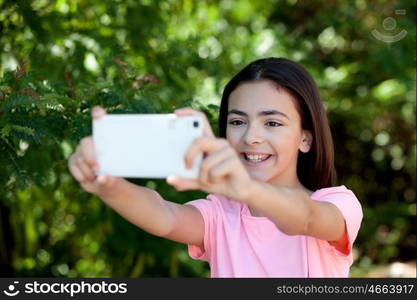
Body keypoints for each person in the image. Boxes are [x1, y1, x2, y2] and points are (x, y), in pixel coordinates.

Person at [68, 57, 363, 277]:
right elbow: (165, 215)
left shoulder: (338, 204)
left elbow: (307, 219)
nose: (251, 137)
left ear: (305, 138)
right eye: (237, 122)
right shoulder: (221, 215)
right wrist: (107, 185)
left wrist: (247, 189)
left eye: (272, 123)